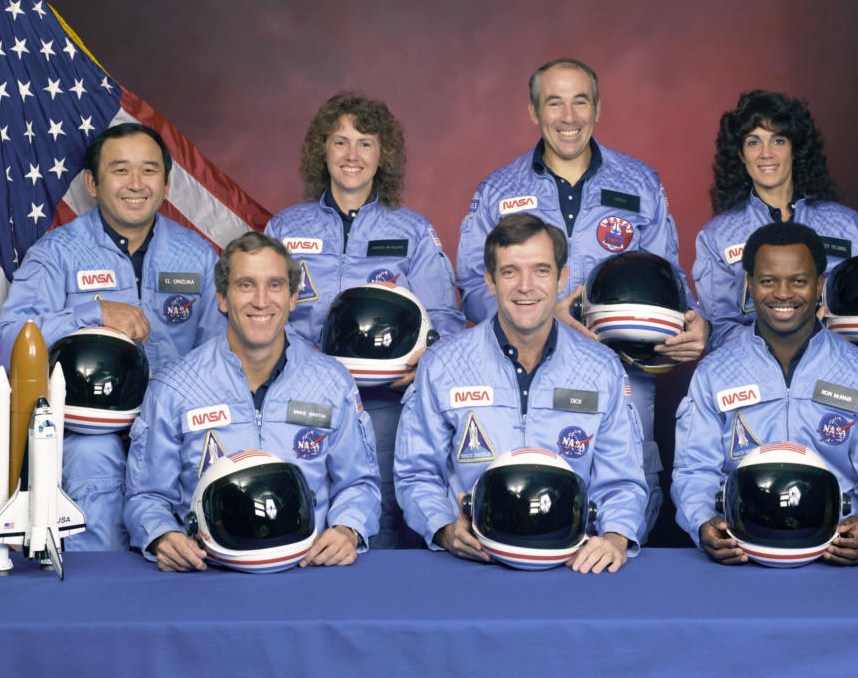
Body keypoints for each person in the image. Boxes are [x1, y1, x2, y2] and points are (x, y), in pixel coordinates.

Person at [455, 58, 706, 537]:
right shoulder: (498, 190)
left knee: (623, 508)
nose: (568, 116)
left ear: (597, 109)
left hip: (624, 371)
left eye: (580, 101)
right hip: (520, 371)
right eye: (554, 102)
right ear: (533, 111)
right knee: (531, 504)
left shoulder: (641, 183)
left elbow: (670, 281)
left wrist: (697, 325)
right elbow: (471, 286)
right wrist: (540, 318)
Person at [0, 123, 223, 551]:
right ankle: (95, 606)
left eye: (149, 171)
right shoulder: (57, 254)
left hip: (175, 430)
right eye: (120, 170)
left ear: (168, 183)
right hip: (90, 431)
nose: (136, 184)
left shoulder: (196, 255)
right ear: (92, 183)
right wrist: (93, 312)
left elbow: (222, 354)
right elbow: (10, 343)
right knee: (92, 462)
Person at [265, 93, 464, 549]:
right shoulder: (284, 228)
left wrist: (424, 362)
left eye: (366, 143)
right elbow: (258, 312)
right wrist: (302, 360)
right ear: (322, 151)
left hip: (384, 406)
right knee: (302, 514)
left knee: (385, 518)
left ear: (383, 155)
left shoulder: (412, 231)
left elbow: (446, 321)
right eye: (340, 142)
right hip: (300, 400)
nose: (352, 155)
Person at [396, 214, 648, 573]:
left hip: (573, 565)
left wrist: (615, 537)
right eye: (510, 272)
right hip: (474, 563)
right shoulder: (443, 365)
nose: (525, 286)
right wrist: (443, 528)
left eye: (541, 271)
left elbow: (622, 480)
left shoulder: (601, 367)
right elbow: (416, 472)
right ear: (490, 280)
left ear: (562, 278)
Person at [123, 231, 381, 572]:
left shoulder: (332, 382)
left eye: (275, 285)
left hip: (308, 571)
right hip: (209, 575)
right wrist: (161, 535)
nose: (261, 301)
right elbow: (146, 496)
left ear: (292, 297)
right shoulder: (174, 387)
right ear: (222, 298)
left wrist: (349, 529)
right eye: (246, 285)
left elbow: (359, 483)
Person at [672, 222, 858, 565]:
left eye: (798, 281)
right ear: (750, 286)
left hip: (833, 551)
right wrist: (700, 523)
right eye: (768, 281)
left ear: (819, 286)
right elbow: (695, 470)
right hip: (742, 551)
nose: (783, 294)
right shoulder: (714, 372)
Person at [694, 89, 858, 352]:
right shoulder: (718, 236)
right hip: (756, 382)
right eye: (753, 142)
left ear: (795, 149)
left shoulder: (846, 225)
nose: (766, 153)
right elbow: (718, 331)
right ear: (741, 154)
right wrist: (784, 343)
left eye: (778, 140)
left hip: (838, 374)